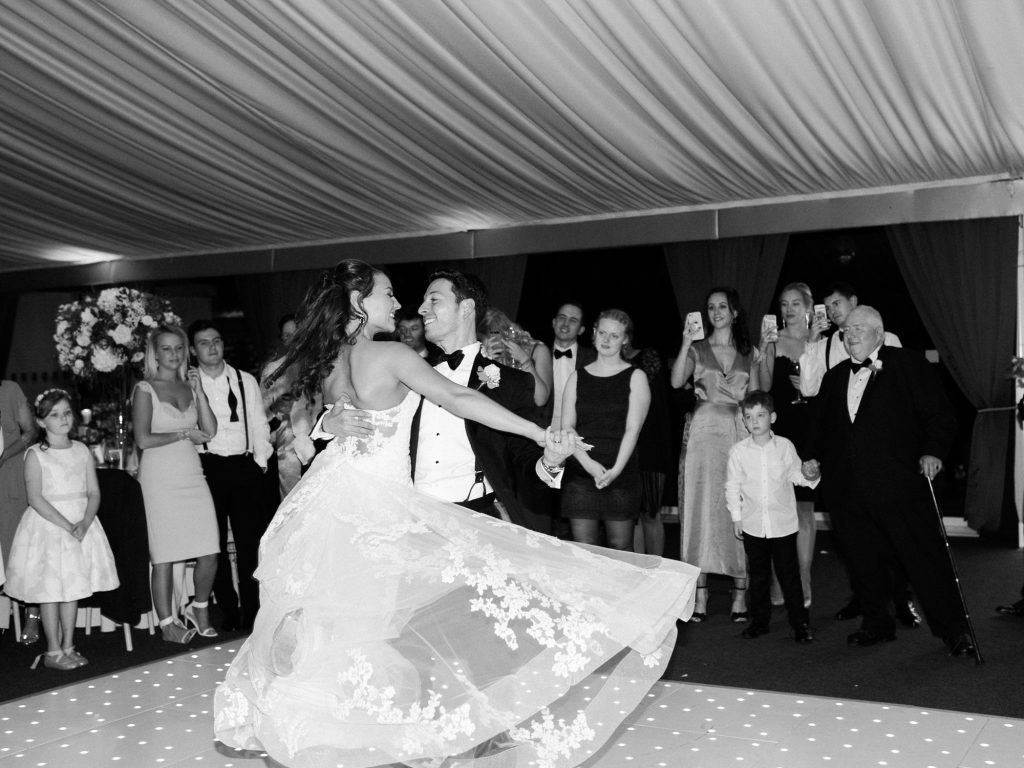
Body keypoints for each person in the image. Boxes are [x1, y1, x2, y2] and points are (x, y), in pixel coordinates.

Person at [214, 260, 699, 768]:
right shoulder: (394, 354)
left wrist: (325, 427)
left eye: (423, 298)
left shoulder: (333, 360)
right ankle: (368, 736)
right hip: (384, 506)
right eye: (388, 294)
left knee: (344, 630)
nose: (401, 304)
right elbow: (457, 396)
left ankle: (338, 731)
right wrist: (536, 432)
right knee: (369, 630)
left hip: (341, 500)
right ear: (358, 302)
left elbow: (343, 420)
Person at [803, 306, 975, 657]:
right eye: (846, 330)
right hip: (848, 491)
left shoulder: (908, 364)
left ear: (879, 334)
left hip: (900, 486)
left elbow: (941, 415)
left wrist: (933, 452)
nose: (851, 335)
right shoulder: (835, 376)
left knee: (924, 560)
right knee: (863, 562)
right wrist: (811, 457)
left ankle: (954, 630)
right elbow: (819, 428)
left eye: (859, 329)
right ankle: (876, 624)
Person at [796, 281, 916, 626]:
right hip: (844, 462)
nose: (832, 312)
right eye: (828, 307)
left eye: (837, 304)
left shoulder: (885, 337)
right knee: (852, 540)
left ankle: (902, 599)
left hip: (883, 458)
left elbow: (901, 390)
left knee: (892, 536)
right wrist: (812, 343)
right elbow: (808, 388)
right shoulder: (827, 344)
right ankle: (864, 599)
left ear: (854, 301)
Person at [670, 286, 769, 622]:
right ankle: (700, 592)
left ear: (735, 311)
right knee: (700, 508)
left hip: (739, 433)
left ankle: (741, 593)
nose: (716, 312)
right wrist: (685, 342)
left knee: (738, 508)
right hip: (702, 436)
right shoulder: (697, 349)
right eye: (710, 307)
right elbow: (674, 382)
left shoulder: (747, 350)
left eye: (722, 306)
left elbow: (757, 394)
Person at [4, 388, 118, 670]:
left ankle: (69, 645)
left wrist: (86, 521)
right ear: (42, 422)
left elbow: (93, 491)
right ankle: (53, 651)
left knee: (73, 588)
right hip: (49, 526)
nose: (63, 418)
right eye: (54, 415)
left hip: (80, 524)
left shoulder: (81, 450)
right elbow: (36, 498)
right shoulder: (35, 455)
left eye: (67, 412)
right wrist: (67, 525)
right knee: (51, 589)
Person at [132, 324, 219, 642]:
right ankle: (167, 623)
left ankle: (199, 607)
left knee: (210, 550)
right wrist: (183, 433)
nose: (174, 354)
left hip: (191, 474)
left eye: (179, 348)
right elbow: (142, 439)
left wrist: (199, 393)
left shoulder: (189, 384)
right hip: (159, 477)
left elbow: (209, 432)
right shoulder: (145, 388)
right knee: (165, 555)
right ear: (155, 353)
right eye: (166, 348)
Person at [190, 320, 273, 633]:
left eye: (216, 340)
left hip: (244, 466)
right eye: (203, 342)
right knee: (214, 546)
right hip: (207, 467)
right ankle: (227, 608)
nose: (212, 347)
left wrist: (261, 460)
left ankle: (253, 612)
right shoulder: (189, 383)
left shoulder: (244, 379)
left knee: (250, 542)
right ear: (193, 349)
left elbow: (259, 421)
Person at [726, 391, 818, 643]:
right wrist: (737, 517)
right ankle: (759, 621)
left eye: (761, 415)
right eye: (749, 417)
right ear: (743, 421)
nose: (755, 421)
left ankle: (800, 622)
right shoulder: (738, 452)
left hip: (783, 524)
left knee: (789, 575)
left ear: (773, 417)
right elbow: (732, 486)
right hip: (754, 524)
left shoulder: (785, 447)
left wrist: (810, 474)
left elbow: (797, 476)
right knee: (759, 575)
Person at [560, 309, 650, 550]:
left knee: (620, 549)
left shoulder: (636, 376)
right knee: (583, 550)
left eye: (614, 335)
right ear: (593, 333)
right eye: (602, 332)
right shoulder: (577, 377)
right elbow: (566, 426)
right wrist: (588, 464)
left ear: (625, 340)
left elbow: (633, 429)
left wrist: (615, 471)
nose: (607, 339)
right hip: (581, 472)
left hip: (621, 471)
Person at [765, 282, 817, 608]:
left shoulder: (822, 341)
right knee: (777, 507)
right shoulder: (774, 340)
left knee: (805, 509)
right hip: (780, 428)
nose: (789, 310)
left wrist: (814, 385)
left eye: (796, 303)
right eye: (784, 304)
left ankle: (804, 577)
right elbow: (765, 384)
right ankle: (777, 579)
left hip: (811, 429)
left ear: (808, 308)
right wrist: (764, 347)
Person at [0, 379, 39, 642]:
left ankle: (32, 615)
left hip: (9, 475)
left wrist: (3, 455)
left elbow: (30, 431)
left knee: (19, 550)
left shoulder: (9, 390)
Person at [626, 343, 672, 556]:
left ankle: (655, 572)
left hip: (650, 444)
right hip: (622, 447)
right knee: (630, 516)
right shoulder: (601, 364)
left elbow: (656, 404)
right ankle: (637, 574)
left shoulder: (648, 357)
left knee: (650, 514)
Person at [261, 314, 302, 498]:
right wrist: (277, 407)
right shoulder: (273, 370)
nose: (293, 339)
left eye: (298, 333)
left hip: (322, 438)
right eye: (287, 335)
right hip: (288, 443)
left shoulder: (324, 364)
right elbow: (261, 411)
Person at [481, 307, 554, 407]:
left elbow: (541, 399)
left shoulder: (538, 350)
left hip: (526, 419)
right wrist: (488, 363)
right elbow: (484, 397)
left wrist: (524, 361)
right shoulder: (490, 354)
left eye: (494, 333)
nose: (489, 341)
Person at [549, 302, 596, 428]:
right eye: (562, 318)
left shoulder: (593, 360)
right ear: (554, 322)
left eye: (573, 320)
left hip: (578, 434)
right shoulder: (537, 355)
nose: (565, 324)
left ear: (581, 330)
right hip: (538, 433)